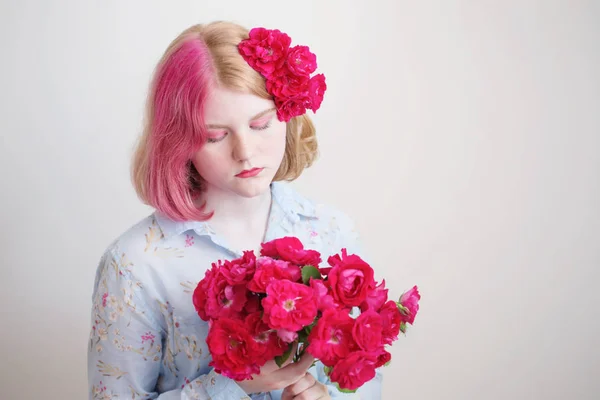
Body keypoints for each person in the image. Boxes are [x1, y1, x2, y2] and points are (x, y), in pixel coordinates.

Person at [87, 21, 383, 400]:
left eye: (260, 124)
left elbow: (365, 378)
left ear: (287, 115)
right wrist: (232, 385)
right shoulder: (137, 265)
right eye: (216, 136)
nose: (244, 152)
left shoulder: (331, 232)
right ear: (180, 143)